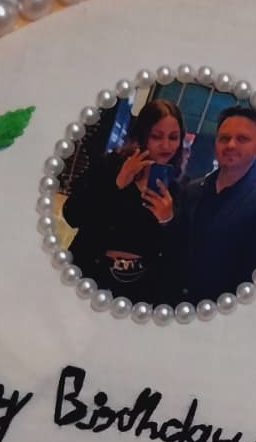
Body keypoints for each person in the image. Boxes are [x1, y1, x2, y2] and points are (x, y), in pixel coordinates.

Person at [62, 98, 182, 303]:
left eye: (173, 137)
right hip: (89, 273)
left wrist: (167, 221)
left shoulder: (177, 188)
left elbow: (175, 253)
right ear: (142, 135)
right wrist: (117, 183)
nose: (166, 145)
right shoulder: (110, 166)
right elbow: (72, 214)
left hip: (139, 290)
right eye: (156, 136)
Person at [168, 105, 256, 303]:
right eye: (224, 138)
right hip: (175, 304)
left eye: (242, 139)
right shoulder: (192, 189)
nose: (231, 145)